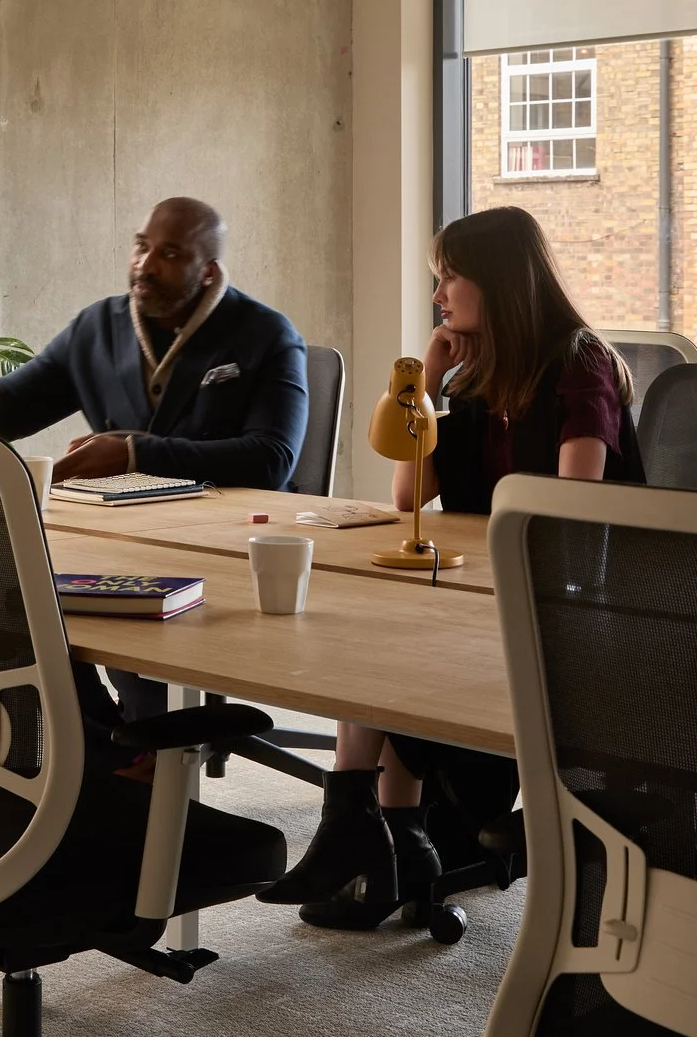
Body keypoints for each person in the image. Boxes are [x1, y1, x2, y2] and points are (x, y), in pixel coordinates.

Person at [261, 205, 643, 930]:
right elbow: (410, 491)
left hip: (577, 600)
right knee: (379, 621)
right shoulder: (475, 377)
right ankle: (384, 837)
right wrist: (428, 383)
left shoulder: (580, 361)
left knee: (398, 636)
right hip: (496, 581)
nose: (439, 295)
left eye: (450, 278)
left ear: (499, 283)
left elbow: (572, 502)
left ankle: (373, 837)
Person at [0, 196, 310, 721]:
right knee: (22, 604)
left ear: (206, 271)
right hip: (118, 535)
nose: (144, 264)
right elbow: (11, 410)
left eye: (168, 253)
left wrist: (136, 452)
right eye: (140, 246)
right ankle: (104, 744)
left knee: (81, 614)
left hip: (221, 539)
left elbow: (272, 459)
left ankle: (136, 746)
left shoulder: (266, 335)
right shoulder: (97, 328)